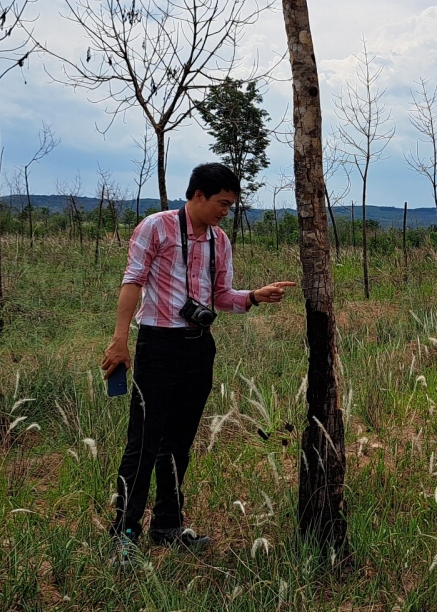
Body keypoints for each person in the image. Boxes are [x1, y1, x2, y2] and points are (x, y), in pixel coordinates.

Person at [101, 162, 295, 561]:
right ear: (198, 195)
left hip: (198, 347)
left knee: (179, 442)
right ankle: (125, 532)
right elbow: (133, 281)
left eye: (231, 205)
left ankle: (167, 526)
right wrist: (120, 340)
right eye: (222, 203)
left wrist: (253, 296)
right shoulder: (156, 228)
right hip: (157, 345)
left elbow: (221, 296)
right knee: (143, 442)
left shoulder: (219, 241)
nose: (226, 211)